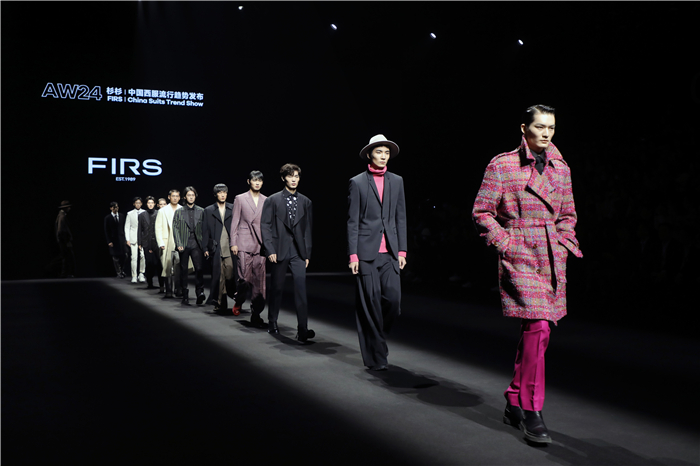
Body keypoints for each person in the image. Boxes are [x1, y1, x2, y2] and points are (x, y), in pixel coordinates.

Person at [472, 105, 583, 444]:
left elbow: (568, 214)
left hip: (550, 255)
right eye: (540, 126)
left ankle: (514, 396)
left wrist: (563, 242)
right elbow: (482, 211)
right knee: (538, 326)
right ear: (524, 128)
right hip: (520, 254)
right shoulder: (502, 165)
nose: (546, 133)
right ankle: (532, 409)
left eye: (551, 127)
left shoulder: (561, 168)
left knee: (539, 330)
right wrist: (507, 244)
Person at [347, 134, 407, 371]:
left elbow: (401, 217)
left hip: (390, 252)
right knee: (370, 304)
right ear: (370, 154)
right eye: (379, 152)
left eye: (387, 153)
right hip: (366, 252)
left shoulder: (397, 181)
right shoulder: (357, 182)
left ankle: (378, 339)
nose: (383, 156)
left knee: (393, 300)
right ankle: (377, 358)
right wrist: (353, 255)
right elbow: (352, 221)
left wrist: (402, 250)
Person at [260, 163, 315, 342]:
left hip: (298, 251)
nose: (294, 179)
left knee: (301, 289)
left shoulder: (306, 202)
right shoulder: (273, 200)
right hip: (278, 249)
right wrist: (269, 249)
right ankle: (272, 321)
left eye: (296, 176)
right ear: (283, 178)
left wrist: (307, 254)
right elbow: (265, 225)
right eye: (290, 176)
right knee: (277, 288)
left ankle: (302, 329)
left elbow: (308, 230)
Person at [230, 171, 268, 324]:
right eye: (254, 180)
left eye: (260, 180)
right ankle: (239, 299)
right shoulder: (240, 198)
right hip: (243, 241)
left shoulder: (266, 200)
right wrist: (233, 242)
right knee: (244, 279)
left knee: (259, 281)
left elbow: (268, 223)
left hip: (260, 243)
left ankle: (256, 313)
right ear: (249, 181)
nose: (257, 183)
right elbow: (235, 221)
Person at [202, 184, 235, 313]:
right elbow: (205, 230)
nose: (222, 195)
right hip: (216, 247)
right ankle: (221, 302)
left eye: (224, 192)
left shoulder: (232, 208)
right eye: (220, 192)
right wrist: (205, 247)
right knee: (219, 275)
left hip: (230, 246)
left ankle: (230, 294)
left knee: (229, 273)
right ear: (215, 194)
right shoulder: (209, 210)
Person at [173, 186, 206, 305]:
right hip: (184, 243)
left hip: (196, 243)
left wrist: (205, 246)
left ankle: (200, 292)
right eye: (189, 195)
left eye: (193, 195)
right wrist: (179, 244)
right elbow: (175, 228)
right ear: (184, 197)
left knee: (199, 268)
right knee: (184, 270)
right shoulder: (179, 211)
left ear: (195, 196)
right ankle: (185, 294)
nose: (191, 197)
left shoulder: (201, 211)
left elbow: (205, 229)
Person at [156, 190, 184, 298]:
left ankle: (178, 289)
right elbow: (158, 228)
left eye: (177, 196)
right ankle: (168, 290)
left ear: (179, 197)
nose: (175, 198)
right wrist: (160, 242)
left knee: (178, 266)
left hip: (179, 242)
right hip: (166, 242)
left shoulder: (182, 209)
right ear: (169, 197)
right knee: (167, 266)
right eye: (173, 196)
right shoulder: (162, 211)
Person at [139, 197, 165, 291]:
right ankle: (150, 283)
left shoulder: (159, 213)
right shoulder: (142, 215)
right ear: (146, 204)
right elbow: (139, 229)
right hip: (146, 242)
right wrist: (139, 242)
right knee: (149, 263)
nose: (150, 204)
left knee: (159, 264)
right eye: (148, 203)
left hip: (157, 242)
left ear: (155, 204)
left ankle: (162, 285)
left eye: (152, 203)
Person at [124, 196, 146, 284]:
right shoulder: (129, 214)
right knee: (134, 257)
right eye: (136, 203)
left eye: (139, 203)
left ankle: (141, 273)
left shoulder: (144, 212)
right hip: (133, 238)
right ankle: (134, 275)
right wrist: (127, 239)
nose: (138, 204)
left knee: (143, 256)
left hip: (143, 238)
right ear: (134, 204)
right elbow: (127, 227)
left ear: (141, 204)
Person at [104, 201, 127, 278]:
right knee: (115, 257)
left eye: (117, 207)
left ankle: (122, 269)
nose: (116, 209)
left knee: (125, 255)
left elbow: (124, 227)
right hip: (113, 240)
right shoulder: (108, 218)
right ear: (111, 208)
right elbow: (106, 230)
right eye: (114, 207)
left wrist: (126, 238)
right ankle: (118, 272)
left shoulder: (121, 216)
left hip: (122, 238)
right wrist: (109, 241)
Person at [55, 200, 75, 278]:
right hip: (64, 241)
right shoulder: (62, 216)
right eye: (68, 207)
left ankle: (65, 274)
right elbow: (60, 230)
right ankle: (64, 274)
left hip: (63, 240)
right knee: (67, 257)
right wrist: (65, 240)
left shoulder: (61, 215)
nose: (69, 208)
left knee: (66, 257)